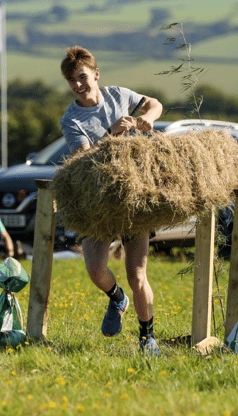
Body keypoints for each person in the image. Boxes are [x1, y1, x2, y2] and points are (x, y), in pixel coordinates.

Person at [59, 45, 164, 355]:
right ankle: (117, 298)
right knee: (95, 269)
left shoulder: (118, 95)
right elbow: (83, 159)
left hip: (133, 197)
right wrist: (111, 135)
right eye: (71, 81)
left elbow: (155, 104)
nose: (78, 85)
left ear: (96, 75)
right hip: (98, 202)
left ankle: (148, 338)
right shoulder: (71, 119)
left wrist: (148, 120)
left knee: (137, 273)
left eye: (82, 77)